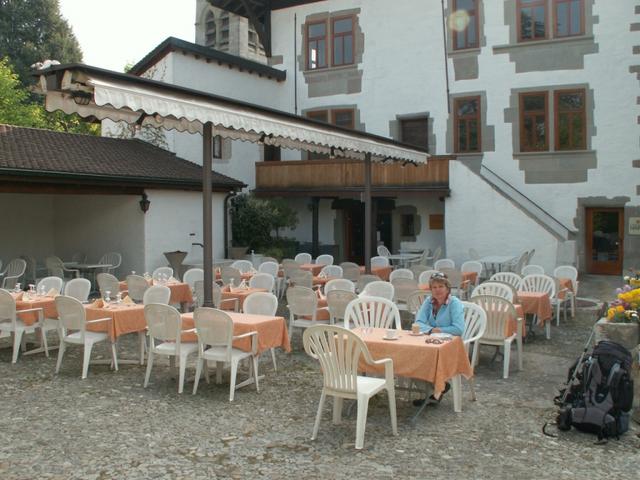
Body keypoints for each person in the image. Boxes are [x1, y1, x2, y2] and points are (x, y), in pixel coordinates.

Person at [413, 272, 465, 406]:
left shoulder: (455, 303)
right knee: (413, 357)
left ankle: (436, 388)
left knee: (425, 358)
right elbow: (418, 322)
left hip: (450, 345)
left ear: (447, 288)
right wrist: (430, 330)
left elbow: (458, 329)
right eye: (434, 287)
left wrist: (439, 330)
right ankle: (435, 388)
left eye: (441, 286)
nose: (437, 290)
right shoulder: (428, 301)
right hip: (430, 341)